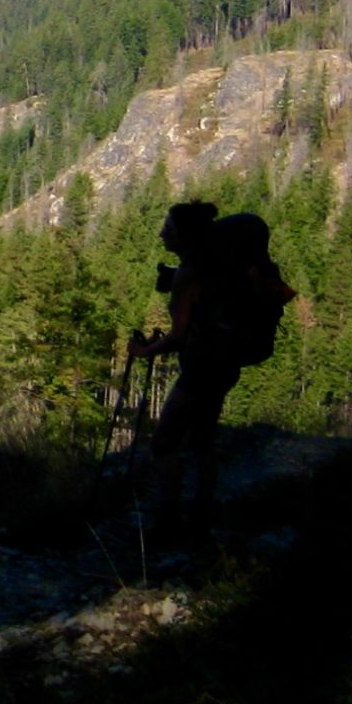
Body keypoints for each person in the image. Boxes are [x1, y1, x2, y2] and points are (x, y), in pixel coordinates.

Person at [131, 199, 286, 536]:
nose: (162, 234)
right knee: (203, 440)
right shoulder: (218, 268)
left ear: (185, 236)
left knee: (164, 443)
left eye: (168, 228)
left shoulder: (190, 276)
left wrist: (144, 351)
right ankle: (201, 515)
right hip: (227, 363)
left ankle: (168, 521)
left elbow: (178, 336)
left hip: (201, 369)